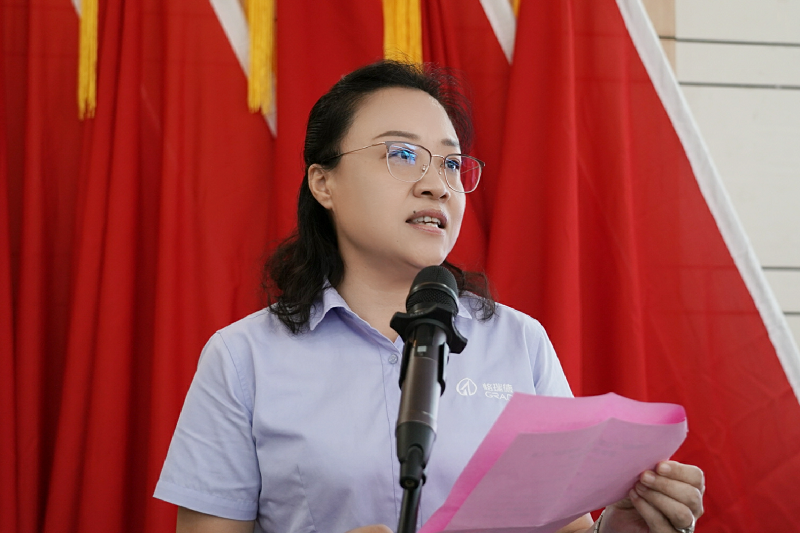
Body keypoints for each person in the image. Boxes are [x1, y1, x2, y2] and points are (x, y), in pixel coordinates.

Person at [154, 60, 705, 533]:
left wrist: (619, 528)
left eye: (450, 163)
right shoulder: (244, 358)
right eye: (402, 154)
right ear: (324, 183)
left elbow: (562, 527)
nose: (437, 184)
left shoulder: (520, 342)